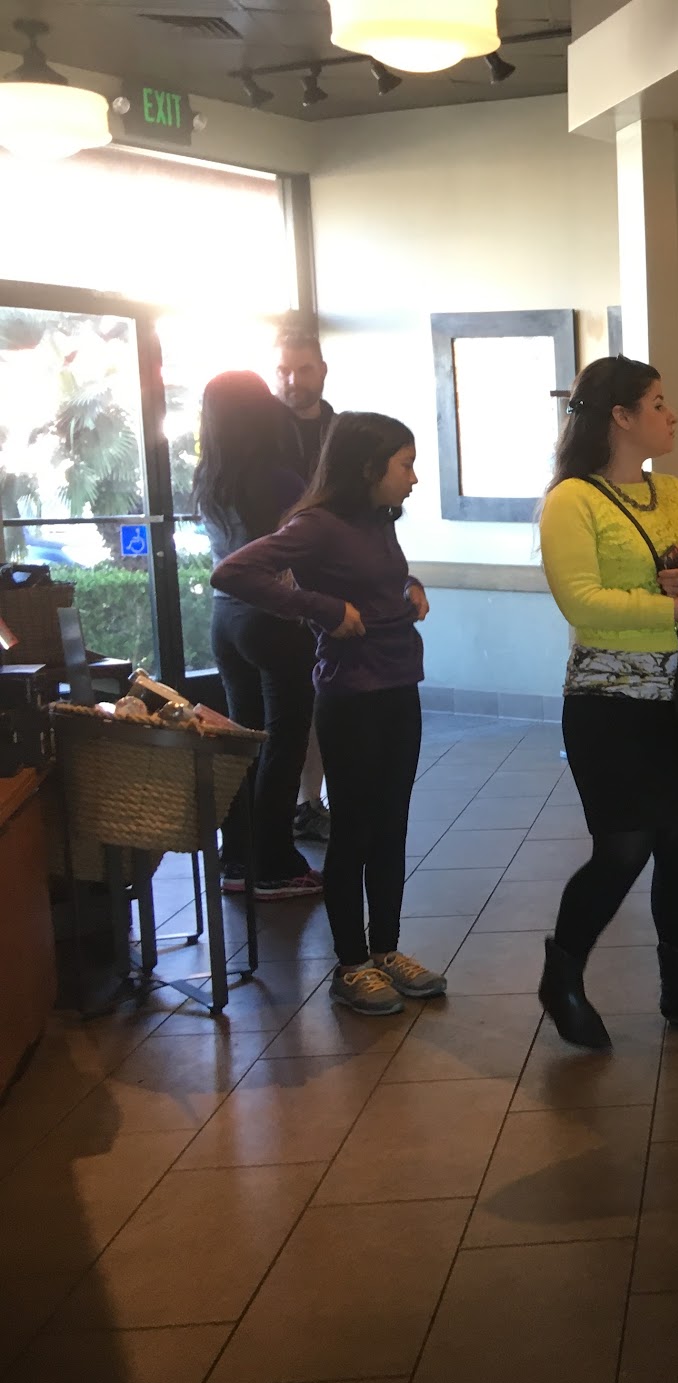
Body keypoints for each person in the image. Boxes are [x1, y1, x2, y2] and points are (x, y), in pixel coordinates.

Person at [212, 412, 448, 1017]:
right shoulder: (316, 525)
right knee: (355, 828)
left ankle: (386, 949)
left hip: (399, 685)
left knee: (392, 823)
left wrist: (409, 584)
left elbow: (376, 576)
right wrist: (320, 607)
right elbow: (232, 572)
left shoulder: (378, 518)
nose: (414, 478)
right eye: (405, 464)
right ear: (368, 468)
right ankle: (350, 964)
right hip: (352, 694)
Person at [538, 356, 678, 1048]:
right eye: (657, 403)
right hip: (610, 704)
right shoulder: (572, 500)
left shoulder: (675, 492)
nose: (671, 414)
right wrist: (673, 606)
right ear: (620, 417)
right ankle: (562, 974)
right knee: (623, 849)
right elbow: (581, 602)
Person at [194, 371, 323, 901]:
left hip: (226, 620)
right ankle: (276, 864)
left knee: (243, 743)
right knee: (283, 743)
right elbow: (310, 545)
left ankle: (239, 860)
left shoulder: (210, 478)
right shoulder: (277, 479)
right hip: (272, 619)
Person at [278, 326, 336, 845]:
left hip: (332, 577)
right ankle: (290, 804)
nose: (292, 380)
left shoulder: (341, 432)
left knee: (323, 695)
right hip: (279, 585)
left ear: (322, 371)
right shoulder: (263, 433)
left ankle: (311, 800)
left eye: (303, 369)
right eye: (283, 370)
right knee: (288, 700)